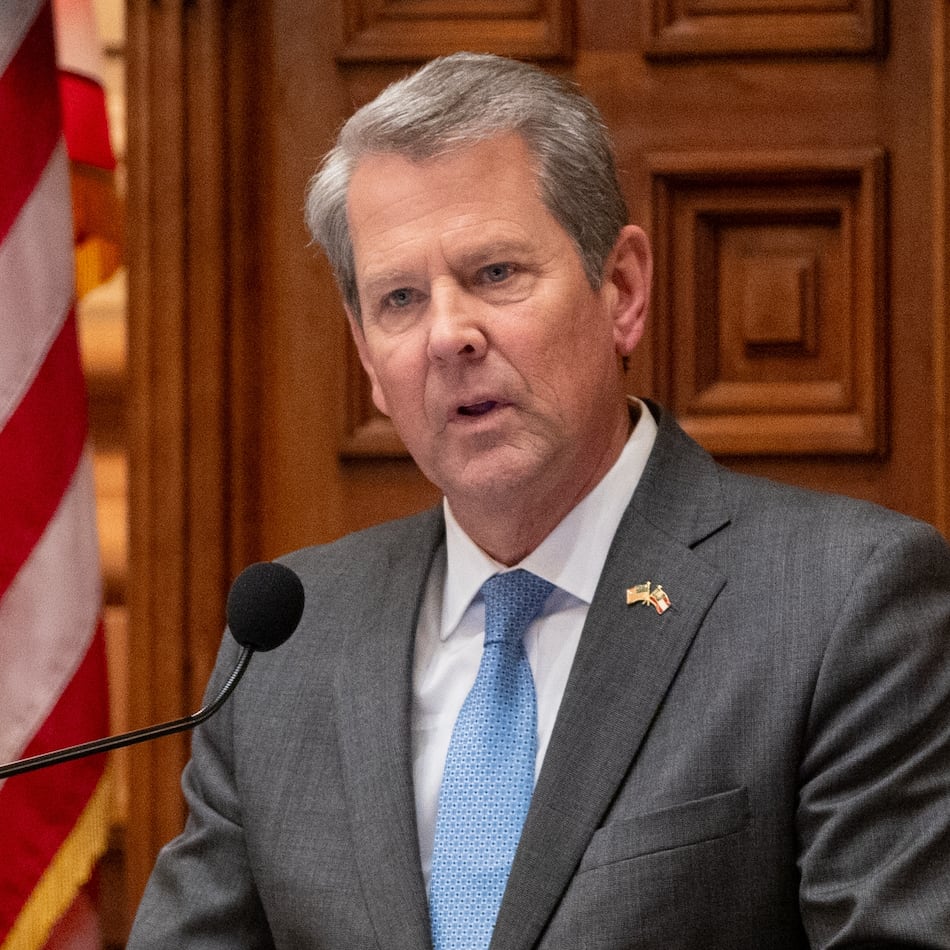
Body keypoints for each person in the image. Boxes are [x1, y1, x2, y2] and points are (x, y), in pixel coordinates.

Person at [128, 52, 950, 948]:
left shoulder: (843, 604)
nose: (450, 335)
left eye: (495, 274)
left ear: (623, 291)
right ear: (367, 357)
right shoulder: (288, 640)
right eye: (400, 299)